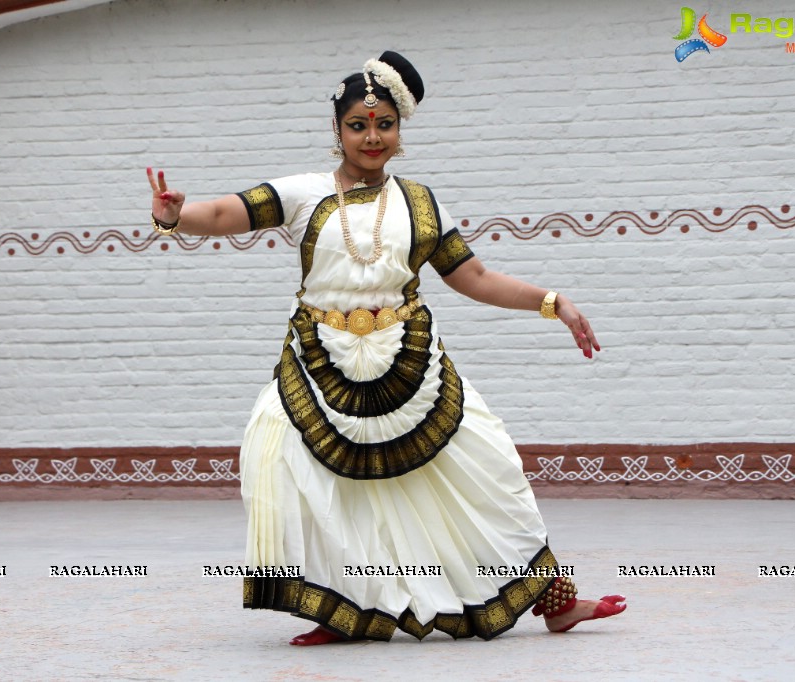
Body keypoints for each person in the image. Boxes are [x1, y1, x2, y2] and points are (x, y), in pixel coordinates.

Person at [146, 51, 626, 645]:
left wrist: (552, 301)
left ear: (400, 130)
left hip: (408, 362)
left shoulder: (421, 204)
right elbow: (225, 212)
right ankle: (349, 614)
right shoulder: (303, 194)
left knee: (492, 465)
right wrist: (176, 216)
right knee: (291, 467)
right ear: (337, 130)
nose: (371, 136)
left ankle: (555, 601)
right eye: (358, 125)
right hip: (321, 359)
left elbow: (474, 278)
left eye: (384, 124)